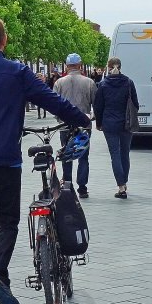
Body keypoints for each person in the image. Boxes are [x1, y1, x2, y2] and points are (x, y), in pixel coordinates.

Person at [0, 16, 91, 304]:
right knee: (8, 221)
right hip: (5, 160)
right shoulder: (17, 72)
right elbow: (53, 101)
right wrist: (82, 120)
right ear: (5, 41)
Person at [93, 56, 138, 199]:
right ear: (120, 66)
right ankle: (124, 182)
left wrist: (99, 123)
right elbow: (135, 104)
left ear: (108, 67)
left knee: (115, 154)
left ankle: (121, 186)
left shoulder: (103, 85)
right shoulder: (129, 83)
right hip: (126, 122)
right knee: (125, 153)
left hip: (109, 123)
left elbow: (98, 106)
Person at [53, 53, 97, 199]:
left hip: (65, 125)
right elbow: (95, 104)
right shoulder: (89, 82)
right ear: (80, 65)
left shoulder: (59, 82)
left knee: (66, 155)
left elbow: (53, 103)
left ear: (67, 66)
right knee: (83, 156)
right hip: (83, 125)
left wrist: (59, 118)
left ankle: (67, 185)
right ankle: (82, 188)